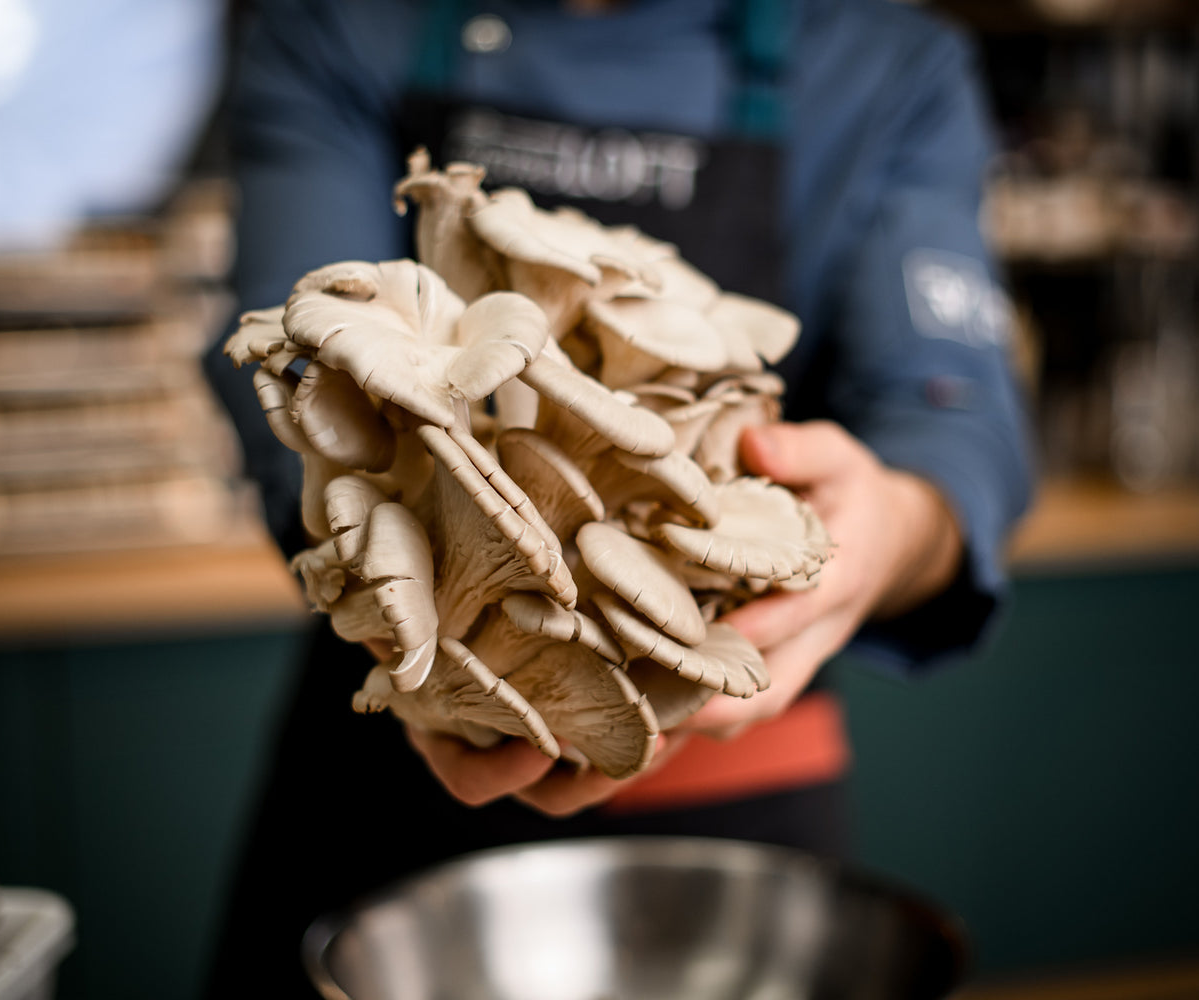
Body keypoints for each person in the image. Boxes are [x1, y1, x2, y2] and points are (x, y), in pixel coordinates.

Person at [201, 0, 1034, 994]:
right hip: (393, 729)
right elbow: (307, 364)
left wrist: (894, 522)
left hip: (735, 734)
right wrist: (450, 636)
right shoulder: (339, 26)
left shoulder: (884, 61)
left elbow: (951, 415)